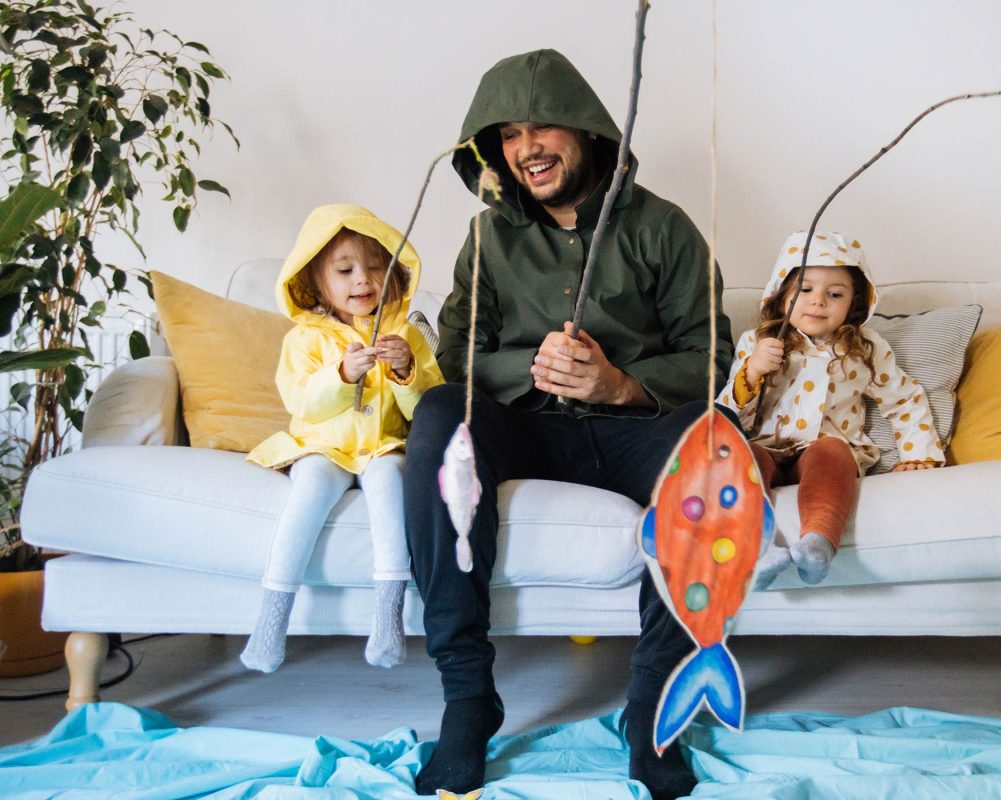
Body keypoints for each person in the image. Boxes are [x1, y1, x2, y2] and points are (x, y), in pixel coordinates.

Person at [403, 49, 732, 799]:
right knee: (436, 415)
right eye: (510, 135)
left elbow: (713, 360)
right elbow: (455, 356)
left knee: (716, 446)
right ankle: (466, 702)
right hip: (527, 429)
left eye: (544, 125)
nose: (528, 148)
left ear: (586, 131)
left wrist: (619, 383)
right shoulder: (485, 238)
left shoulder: (664, 227)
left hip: (631, 431)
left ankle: (651, 704)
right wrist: (532, 369)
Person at [242, 204, 444, 673]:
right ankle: (271, 623)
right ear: (316, 283)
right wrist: (340, 374)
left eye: (376, 267)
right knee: (308, 490)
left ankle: (388, 618)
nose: (363, 280)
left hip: (384, 448)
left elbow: (428, 410)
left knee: (391, 486)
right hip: (324, 447)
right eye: (346, 270)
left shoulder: (406, 333)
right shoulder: (304, 339)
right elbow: (302, 403)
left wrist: (404, 370)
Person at [717, 231, 945, 589]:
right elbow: (728, 416)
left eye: (834, 294)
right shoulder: (758, 342)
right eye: (805, 290)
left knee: (832, 452)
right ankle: (754, 549)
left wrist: (919, 453)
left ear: (854, 303)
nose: (818, 302)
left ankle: (818, 542)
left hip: (826, 448)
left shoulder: (864, 347)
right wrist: (753, 371)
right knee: (742, 458)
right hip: (767, 446)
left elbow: (903, 399)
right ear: (782, 294)